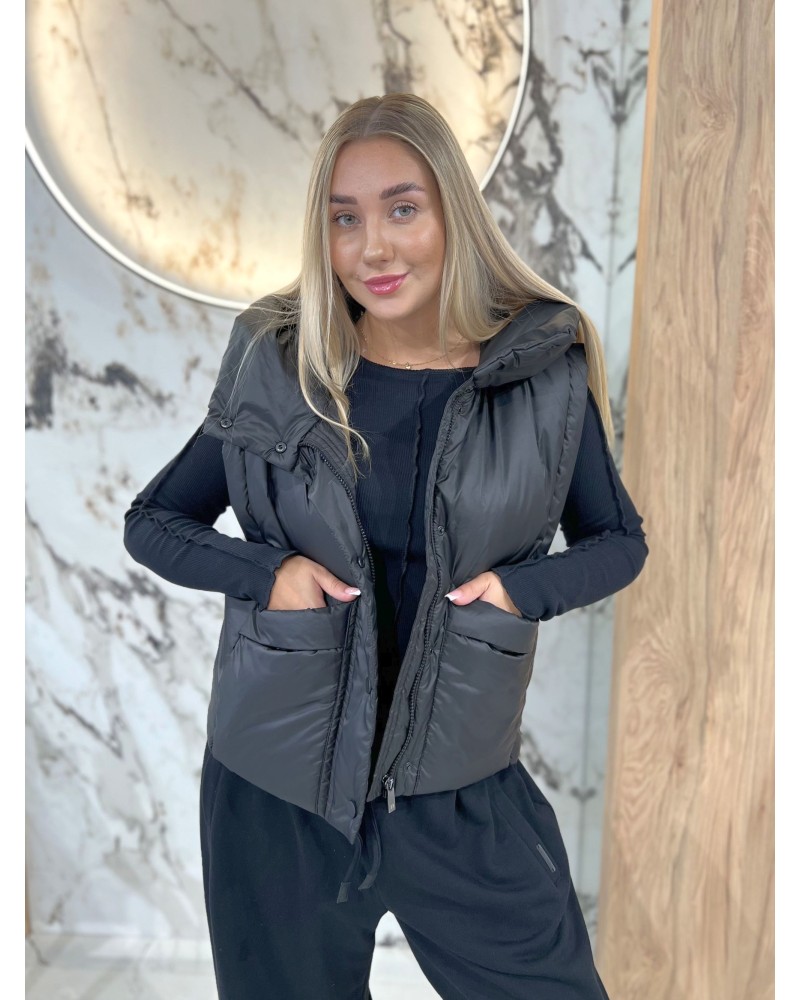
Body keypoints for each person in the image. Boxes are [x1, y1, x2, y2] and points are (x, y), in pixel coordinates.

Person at [123, 93, 648, 1000]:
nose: (373, 247)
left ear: (452, 214)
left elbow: (618, 542)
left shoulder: (544, 377)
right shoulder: (279, 363)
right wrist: (270, 573)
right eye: (345, 219)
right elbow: (155, 520)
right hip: (278, 790)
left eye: (402, 209)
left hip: (460, 789)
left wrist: (519, 592)